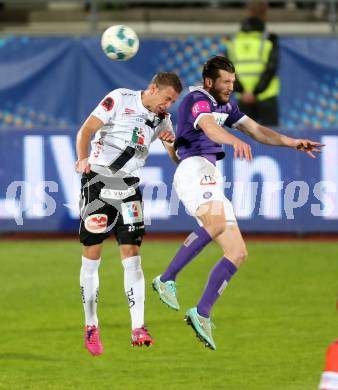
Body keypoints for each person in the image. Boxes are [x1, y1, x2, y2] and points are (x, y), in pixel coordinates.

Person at [152, 56, 324, 350]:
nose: (232, 86)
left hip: (210, 175)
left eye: (233, 81)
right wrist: (232, 141)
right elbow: (208, 126)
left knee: (237, 252)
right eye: (226, 81)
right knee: (216, 224)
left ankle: (202, 313)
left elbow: (257, 130)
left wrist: (291, 142)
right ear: (210, 82)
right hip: (194, 169)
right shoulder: (198, 99)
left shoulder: (226, 106)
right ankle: (166, 279)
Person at [76, 72, 182, 356]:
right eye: (167, 98)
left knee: (132, 254)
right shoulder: (120, 98)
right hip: (98, 181)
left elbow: (175, 158)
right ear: (153, 88)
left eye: (173, 101)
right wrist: (82, 157)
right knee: (92, 255)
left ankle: (139, 327)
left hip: (129, 188)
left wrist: (173, 143)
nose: (168, 105)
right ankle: (91, 325)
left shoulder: (163, 120)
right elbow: (86, 130)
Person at [227, 0, 280, 126]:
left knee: (245, 141)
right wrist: (256, 92)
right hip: (266, 96)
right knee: (273, 138)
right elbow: (271, 68)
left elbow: (228, 71)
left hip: (243, 97)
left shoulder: (233, 41)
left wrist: (243, 91)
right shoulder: (269, 39)